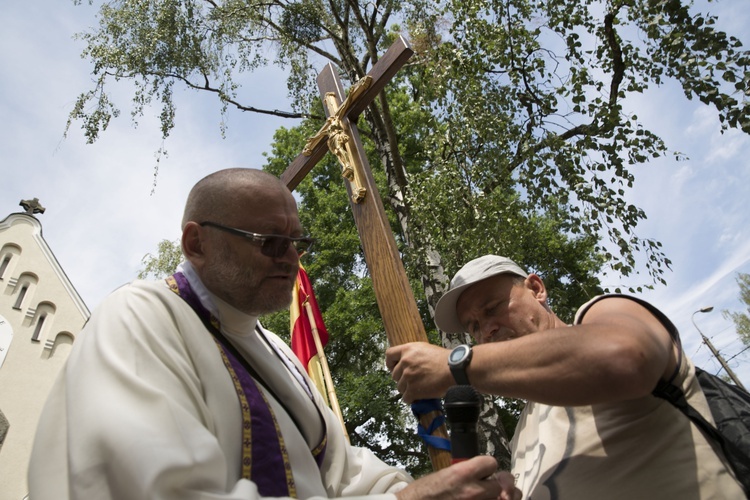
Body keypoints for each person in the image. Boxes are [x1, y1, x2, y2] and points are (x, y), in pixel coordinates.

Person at [28, 169, 520, 500]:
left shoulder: (279, 353)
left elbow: (345, 474)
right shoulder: (141, 317)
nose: (290, 257)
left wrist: (447, 487)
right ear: (196, 243)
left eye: (297, 242)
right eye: (270, 243)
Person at [386, 255, 745, 499]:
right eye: (473, 327)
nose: (487, 330)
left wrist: (455, 365)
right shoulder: (524, 426)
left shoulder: (602, 313)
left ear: (537, 289)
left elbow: (623, 356)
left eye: (493, 308)